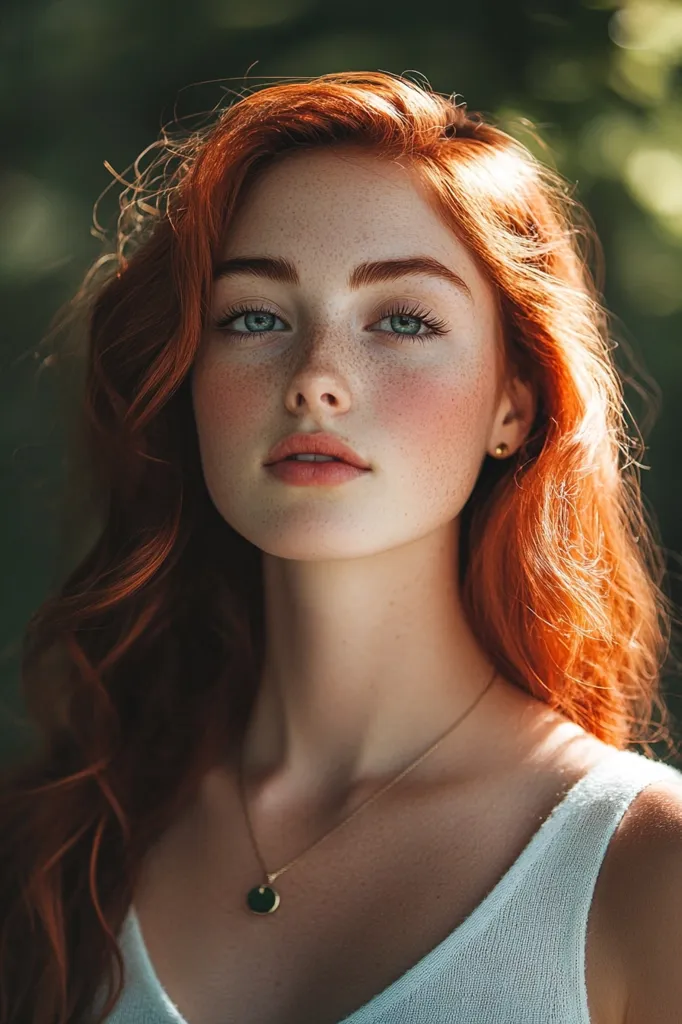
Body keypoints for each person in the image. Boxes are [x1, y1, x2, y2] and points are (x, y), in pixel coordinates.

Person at [1, 70, 681, 1024]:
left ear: (512, 404)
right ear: (185, 377)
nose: (317, 378)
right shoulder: (65, 843)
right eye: (254, 317)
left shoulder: (647, 870)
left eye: (403, 319)